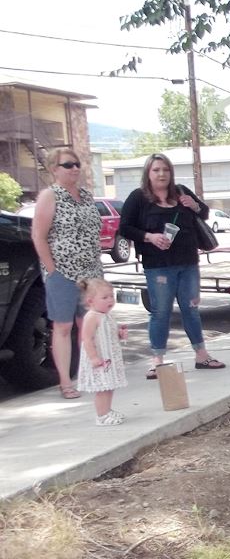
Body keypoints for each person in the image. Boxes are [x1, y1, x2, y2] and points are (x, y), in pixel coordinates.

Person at [119, 153, 225, 377]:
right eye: (156, 170)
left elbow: (204, 213)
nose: (161, 174)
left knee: (191, 309)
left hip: (187, 262)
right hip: (158, 265)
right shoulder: (139, 197)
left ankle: (201, 355)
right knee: (161, 312)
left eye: (165, 170)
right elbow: (125, 228)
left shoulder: (181, 191)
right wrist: (150, 237)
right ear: (148, 173)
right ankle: (157, 360)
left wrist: (194, 205)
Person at [29, 146, 104, 399]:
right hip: (62, 272)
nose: (74, 168)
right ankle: (65, 381)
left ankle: (89, 373)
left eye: (76, 164)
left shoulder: (86, 195)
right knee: (62, 326)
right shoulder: (50, 196)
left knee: (89, 324)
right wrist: (53, 270)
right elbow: (38, 236)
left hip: (91, 272)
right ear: (54, 169)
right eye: (67, 165)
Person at [76, 278, 128, 425]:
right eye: (105, 297)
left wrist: (120, 334)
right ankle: (101, 415)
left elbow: (108, 334)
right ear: (91, 301)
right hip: (100, 358)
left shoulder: (107, 316)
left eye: (111, 296)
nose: (110, 300)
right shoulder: (92, 317)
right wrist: (93, 357)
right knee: (103, 388)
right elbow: (87, 338)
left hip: (109, 357)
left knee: (109, 386)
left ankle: (107, 410)